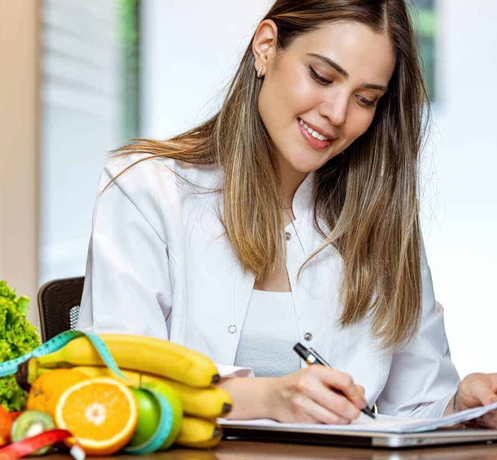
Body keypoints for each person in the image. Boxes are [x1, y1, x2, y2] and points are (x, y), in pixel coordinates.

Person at [76, 0, 497, 427]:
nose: (336, 113)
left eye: (366, 99)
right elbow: (119, 384)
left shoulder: (379, 218)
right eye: (322, 76)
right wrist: (266, 398)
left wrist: (460, 408)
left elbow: (415, 404)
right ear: (266, 47)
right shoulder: (145, 189)